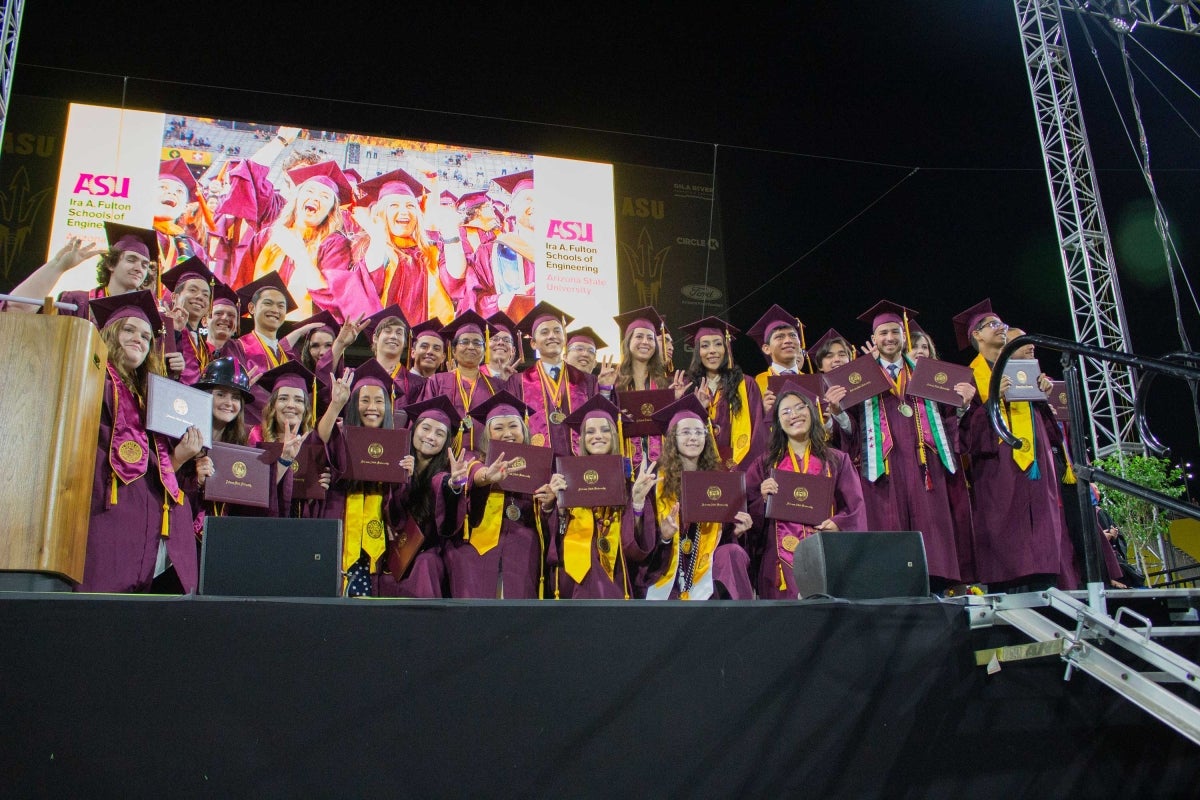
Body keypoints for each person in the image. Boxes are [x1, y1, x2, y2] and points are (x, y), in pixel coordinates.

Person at [844, 300, 975, 594]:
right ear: (873, 339)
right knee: (888, 527)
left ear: (904, 336)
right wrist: (838, 412)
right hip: (884, 466)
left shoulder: (927, 373)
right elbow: (851, 428)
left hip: (925, 463)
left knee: (931, 527)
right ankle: (892, 587)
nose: (889, 338)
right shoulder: (861, 376)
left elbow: (947, 418)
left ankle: (937, 583)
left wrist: (963, 406)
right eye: (883, 333)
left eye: (894, 332)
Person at [79, 290, 199, 594]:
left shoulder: (150, 397)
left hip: (145, 513)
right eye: (129, 330)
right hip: (103, 504)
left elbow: (154, 465)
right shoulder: (89, 377)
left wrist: (182, 457)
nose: (139, 339)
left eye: (146, 336)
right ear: (110, 333)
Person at [952, 299, 1065, 593]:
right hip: (996, 467)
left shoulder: (1023, 371)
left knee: (1041, 530)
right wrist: (990, 402)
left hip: (1035, 466)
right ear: (976, 335)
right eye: (992, 325)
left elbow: (1051, 434)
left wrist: (1044, 397)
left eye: (1001, 324)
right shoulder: (967, 378)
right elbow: (961, 437)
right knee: (1007, 538)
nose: (1000, 328)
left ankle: (1047, 581)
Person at [745, 385, 866, 599]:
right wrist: (762, 499)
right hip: (778, 565)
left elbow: (855, 505)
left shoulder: (836, 459)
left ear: (812, 412)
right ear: (778, 423)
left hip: (827, 550)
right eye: (786, 412)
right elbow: (747, 512)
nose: (794, 415)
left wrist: (839, 523)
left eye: (800, 408)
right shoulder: (764, 464)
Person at [628, 394, 754, 600]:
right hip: (665, 568)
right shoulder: (655, 481)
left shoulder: (720, 482)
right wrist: (664, 537)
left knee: (733, 552)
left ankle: (739, 621)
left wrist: (738, 532)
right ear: (672, 439)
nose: (693, 437)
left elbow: (724, 540)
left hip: (706, 572)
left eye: (699, 432)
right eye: (685, 432)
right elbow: (638, 543)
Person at [443, 390, 558, 599]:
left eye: (514, 426)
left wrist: (548, 504)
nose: (508, 433)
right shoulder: (473, 459)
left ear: (524, 430)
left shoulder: (539, 467)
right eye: (498, 428)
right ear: (488, 434)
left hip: (522, 544)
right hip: (476, 545)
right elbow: (475, 474)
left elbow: (545, 522)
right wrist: (487, 476)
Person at [317, 360, 413, 596]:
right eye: (365, 400)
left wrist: (406, 476)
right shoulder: (340, 435)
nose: (373, 407)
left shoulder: (396, 445)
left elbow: (399, 506)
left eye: (379, 401)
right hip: (341, 528)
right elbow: (320, 440)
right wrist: (335, 405)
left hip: (375, 539)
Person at [545, 394, 654, 599]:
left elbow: (634, 546)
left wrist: (637, 503)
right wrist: (557, 508)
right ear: (582, 439)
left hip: (616, 566)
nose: (598, 436)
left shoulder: (629, 483)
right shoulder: (567, 479)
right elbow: (555, 540)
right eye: (590, 431)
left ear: (615, 435)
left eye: (605, 430)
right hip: (574, 566)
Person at [185, 357, 293, 561]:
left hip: (224, 547)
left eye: (235, 397)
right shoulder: (184, 439)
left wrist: (284, 460)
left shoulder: (242, 449)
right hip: (185, 547)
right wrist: (195, 481)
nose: (228, 403)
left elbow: (253, 504)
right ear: (205, 396)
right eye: (220, 394)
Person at [234, 160, 354, 318]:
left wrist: (299, 255)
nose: (316, 198)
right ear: (297, 198)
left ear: (331, 211)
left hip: (303, 334)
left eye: (325, 196)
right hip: (255, 330)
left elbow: (334, 302)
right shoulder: (267, 236)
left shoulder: (335, 245)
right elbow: (242, 286)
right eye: (310, 191)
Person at [349, 168, 467, 327]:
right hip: (385, 340)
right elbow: (370, 284)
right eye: (394, 205)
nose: (404, 211)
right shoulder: (367, 247)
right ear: (381, 213)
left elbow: (455, 280)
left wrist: (451, 232)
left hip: (427, 340)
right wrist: (377, 236)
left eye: (410, 206)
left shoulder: (432, 249)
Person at [382, 395, 471, 597]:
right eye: (426, 428)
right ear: (414, 430)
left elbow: (444, 486)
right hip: (395, 553)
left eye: (440, 433)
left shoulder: (443, 474)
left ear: (446, 442)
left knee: (426, 564)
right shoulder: (394, 464)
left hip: (427, 555)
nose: (431, 436)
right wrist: (405, 479)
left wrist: (455, 485)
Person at [8, 222, 155, 320]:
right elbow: (16, 312)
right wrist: (58, 266)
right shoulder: (75, 302)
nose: (138, 268)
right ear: (111, 264)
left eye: (144, 265)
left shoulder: (144, 316)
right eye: (131, 260)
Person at [511, 301, 602, 457]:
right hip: (537, 465)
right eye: (545, 332)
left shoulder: (587, 381)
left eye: (557, 331)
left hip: (579, 465)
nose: (552, 336)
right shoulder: (518, 381)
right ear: (533, 343)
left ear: (564, 338)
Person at [678, 316, 765, 470]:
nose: (712, 351)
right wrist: (689, 404)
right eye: (705, 346)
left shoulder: (746, 384)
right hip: (698, 468)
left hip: (739, 468)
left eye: (718, 344)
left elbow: (758, 431)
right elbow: (679, 433)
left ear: (726, 349)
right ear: (698, 352)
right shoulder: (688, 386)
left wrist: (745, 471)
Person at [418, 311, 507, 454]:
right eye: (465, 342)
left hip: (487, 462)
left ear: (484, 351)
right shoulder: (437, 381)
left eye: (477, 343)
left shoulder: (497, 386)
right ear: (453, 350)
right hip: (444, 460)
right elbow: (423, 423)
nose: (471, 347)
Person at [611, 306, 688, 466]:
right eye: (639, 336)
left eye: (650, 338)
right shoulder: (613, 382)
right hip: (625, 463)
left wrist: (675, 401)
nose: (645, 342)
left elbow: (675, 428)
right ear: (628, 342)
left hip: (662, 464)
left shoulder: (666, 383)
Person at [223, 270, 298, 427]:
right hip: (248, 432)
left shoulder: (289, 357)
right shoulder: (237, 347)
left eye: (281, 306)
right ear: (251, 307)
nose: (275, 310)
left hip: (283, 434)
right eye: (268, 303)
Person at [459, 170, 536, 318]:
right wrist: (500, 302)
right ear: (512, 208)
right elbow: (472, 301)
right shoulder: (489, 252)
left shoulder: (567, 253)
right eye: (528, 199)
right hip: (509, 336)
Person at [157, 257, 218, 385]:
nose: (200, 297)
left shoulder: (204, 346)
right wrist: (173, 332)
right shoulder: (160, 327)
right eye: (193, 290)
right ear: (174, 297)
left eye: (206, 295)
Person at [745, 304, 808, 408]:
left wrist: (827, 421)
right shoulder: (755, 384)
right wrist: (762, 413)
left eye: (793, 336)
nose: (788, 341)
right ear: (766, 348)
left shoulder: (810, 381)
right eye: (779, 337)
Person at [154, 157, 209, 274]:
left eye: (179, 191)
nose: (172, 192)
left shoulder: (194, 249)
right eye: (163, 187)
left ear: (185, 207)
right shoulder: (130, 233)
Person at [808, 327, 856, 445]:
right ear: (820, 366)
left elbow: (860, 433)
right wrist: (828, 420)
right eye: (829, 356)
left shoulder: (860, 388)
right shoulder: (813, 393)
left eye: (842, 354)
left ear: (850, 360)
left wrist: (838, 412)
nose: (837, 359)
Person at [483, 310, 523, 379]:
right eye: (495, 339)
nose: (501, 342)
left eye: (506, 340)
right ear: (485, 347)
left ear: (513, 350)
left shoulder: (522, 383)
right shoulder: (473, 378)